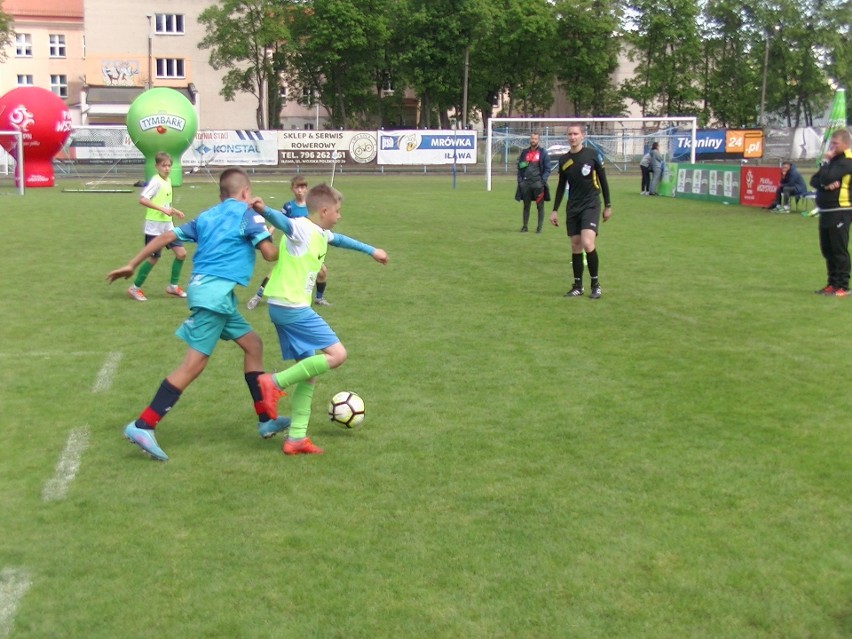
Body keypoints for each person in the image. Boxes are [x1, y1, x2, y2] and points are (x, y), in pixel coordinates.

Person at [106, 168, 287, 461]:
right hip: (214, 297)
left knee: (253, 344)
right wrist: (282, 238)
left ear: (221, 195)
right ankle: (143, 425)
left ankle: (265, 419)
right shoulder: (249, 214)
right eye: (250, 195)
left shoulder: (206, 216)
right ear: (245, 194)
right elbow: (269, 254)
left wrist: (131, 264)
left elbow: (166, 236)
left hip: (212, 293)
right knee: (194, 364)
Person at [252, 183, 388, 455]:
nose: (339, 216)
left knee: (310, 371)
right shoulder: (301, 227)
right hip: (292, 307)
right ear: (324, 210)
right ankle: (273, 382)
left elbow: (345, 240)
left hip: (283, 306)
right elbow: (283, 222)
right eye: (337, 211)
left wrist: (372, 250)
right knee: (337, 355)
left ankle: (296, 438)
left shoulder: (321, 233)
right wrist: (263, 209)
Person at [549, 124, 612, 299]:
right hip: (573, 206)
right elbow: (561, 186)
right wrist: (554, 210)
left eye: (576, 134)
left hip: (591, 204)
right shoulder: (564, 160)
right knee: (575, 245)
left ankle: (595, 284)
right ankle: (577, 286)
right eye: (569, 134)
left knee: (587, 241)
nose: (572, 137)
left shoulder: (592, 155)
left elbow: (603, 180)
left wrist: (608, 205)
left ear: (582, 136)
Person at [127, 152, 188, 302]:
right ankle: (134, 288)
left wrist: (174, 210)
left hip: (167, 225)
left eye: (168, 165)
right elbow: (142, 200)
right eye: (163, 165)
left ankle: (173, 286)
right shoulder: (156, 181)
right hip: (154, 227)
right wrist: (163, 210)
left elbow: (164, 203)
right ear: (156, 166)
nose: (166, 168)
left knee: (181, 253)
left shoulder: (167, 181)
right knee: (153, 258)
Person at [811, 128, 852, 297]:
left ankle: (843, 285)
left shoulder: (847, 161)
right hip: (826, 210)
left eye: (835, 144)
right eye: (832, 143)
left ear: (845, 144)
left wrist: (826, 164)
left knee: (838, 249)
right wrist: (824, 185)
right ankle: (832, 283)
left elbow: (826, 176)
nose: (832, 147)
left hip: (840, 210)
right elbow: (815, 180)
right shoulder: (835, 161)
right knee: (827, 249)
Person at [514, 132, 551, 233]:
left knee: (540, 206)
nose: (533, 140)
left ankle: (539, 228)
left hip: (538, 184)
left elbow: (548, 169)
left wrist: (542, 181)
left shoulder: (543, 153)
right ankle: (525, 226)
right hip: (526, 184)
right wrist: (521, 181)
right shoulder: (525, 152)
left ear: (538, 140)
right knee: (526, 206)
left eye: (535, 139)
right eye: (532, 138)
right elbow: (520, 167)